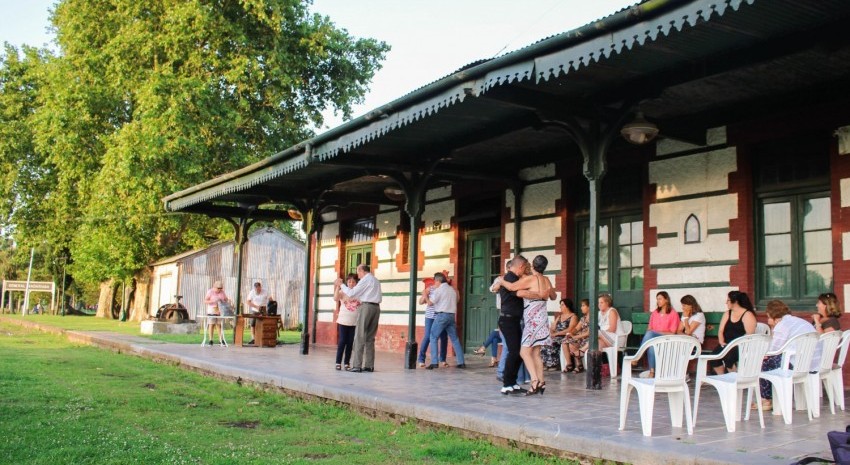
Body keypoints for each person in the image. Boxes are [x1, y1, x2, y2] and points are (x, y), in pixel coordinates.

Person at [495, 255, 556, 396]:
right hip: (542, 320)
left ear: (533, 266)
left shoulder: (530, 279)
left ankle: (534, 382)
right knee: (535, 353)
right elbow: (552, 296)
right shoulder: (546, 280)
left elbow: (511, 287)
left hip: (532, 320)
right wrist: (541, 294)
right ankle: (541, 382)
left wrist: (500, 281)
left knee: (523, 352)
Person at [757, 299, 817, 410]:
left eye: (768, 316)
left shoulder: (782, 325)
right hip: (811, 363)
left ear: (772, 315)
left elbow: (774, 349)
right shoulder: (797, 321)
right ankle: (771, 398)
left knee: (763, 362)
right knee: (770, 361)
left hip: (796, 364)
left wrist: (773, 328)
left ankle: (766, 400)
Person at [336, 264, 382, 373]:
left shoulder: (365, 279)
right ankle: (369, 366)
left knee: (359, 336)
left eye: (358, 273)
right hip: (376, 308)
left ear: (362, 271)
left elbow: (352, 293)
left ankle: (357, 365)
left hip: (366, 307)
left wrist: (341, 284)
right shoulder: (375, 280)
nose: (358, 276)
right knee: (370, 338)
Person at [633, 291, 681, 378]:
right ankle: (652, 372)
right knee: (651, 346)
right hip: (654, 340)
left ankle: (638, 356)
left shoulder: (673, 314)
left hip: (667, 339)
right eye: (657, 299)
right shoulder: (655, 313)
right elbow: (649, 328)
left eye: (660, 299)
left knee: (650, 333)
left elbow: (673, 332)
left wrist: (656, 332)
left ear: (666, 300)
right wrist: (653, 333)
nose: (658, 301)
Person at [708, 290, 757, 375]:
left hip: (741, 345)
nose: (726, 303)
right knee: (713, 357)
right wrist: (721, 342)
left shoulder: (747, 315)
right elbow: (720, 331)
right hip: (726, 343)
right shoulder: (727, 313)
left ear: (735, 302)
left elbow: (749, 335)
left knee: (729, 358)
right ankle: (722, 378)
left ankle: (734, 379)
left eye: (728, 300)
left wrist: (734, 345)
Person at [425, 272, 465, 369]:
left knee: (433, 337)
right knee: (455, 339)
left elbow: (430, 303)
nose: (434, 283)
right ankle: (461, 362)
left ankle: (434, 362)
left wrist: (425, 295)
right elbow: (456, 301)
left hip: (441, 316)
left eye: (435, 281)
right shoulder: (452, 290)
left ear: (438, 280)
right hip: (451, 316)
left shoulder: (439, 290)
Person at [417, 275, 448, 368]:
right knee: (427, 337)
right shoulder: (430, 289)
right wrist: (425, 295)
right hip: (430, 317)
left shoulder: (445, 289)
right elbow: (421, 302)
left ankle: (442, 359)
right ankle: (421, 359)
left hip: (441, 316)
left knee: (443, 337)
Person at [540, 298, 578, 371]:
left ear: (567, 306)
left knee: (552, 342)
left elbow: (570, 329)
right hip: (556, 336)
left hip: (565, 336)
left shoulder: (573, 316)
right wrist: (551, 331)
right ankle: (546, 363)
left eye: (562, 305)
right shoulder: (559, 316)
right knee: (545, 341)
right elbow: (553, 327)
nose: (560, 307)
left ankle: (554, 364)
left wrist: (556, 334)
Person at [333, 274, 359, 371]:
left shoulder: (358, 292)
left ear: (356, 283)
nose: (351, 283)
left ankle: (347, 363)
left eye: (353, 282)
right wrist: (338, 286)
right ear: (347, 283)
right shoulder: (343, 291)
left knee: (350, 342)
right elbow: (335, 298)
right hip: (343, 321)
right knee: (342, 341)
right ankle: (338, 362)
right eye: (349, 282)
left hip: (354, 322)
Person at [565, 298, 590, 373]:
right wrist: (571, 333)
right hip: (581, 337)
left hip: (588, 339)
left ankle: (578, 364)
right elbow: (577, 328)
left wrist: (575, 336)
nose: (581, 308)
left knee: (574, 340)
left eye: (583, 305)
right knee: (569, 341)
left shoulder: (593, 318)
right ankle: (578, 365)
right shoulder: (583, 318)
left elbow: (589, 333)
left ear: (589, 307)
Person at [203, 280, 230, 345]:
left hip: (220, 310)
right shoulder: (210, 291)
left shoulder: (222, 292)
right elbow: (205, 301)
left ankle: (221, 339)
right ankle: (210, 340)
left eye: (221, 288)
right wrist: (212, 301)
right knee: (211, 324)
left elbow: (226, 299)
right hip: (212, 310)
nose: (219, 289)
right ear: (214, 287)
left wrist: (224, 299)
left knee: (219, 325)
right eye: (218, 288)